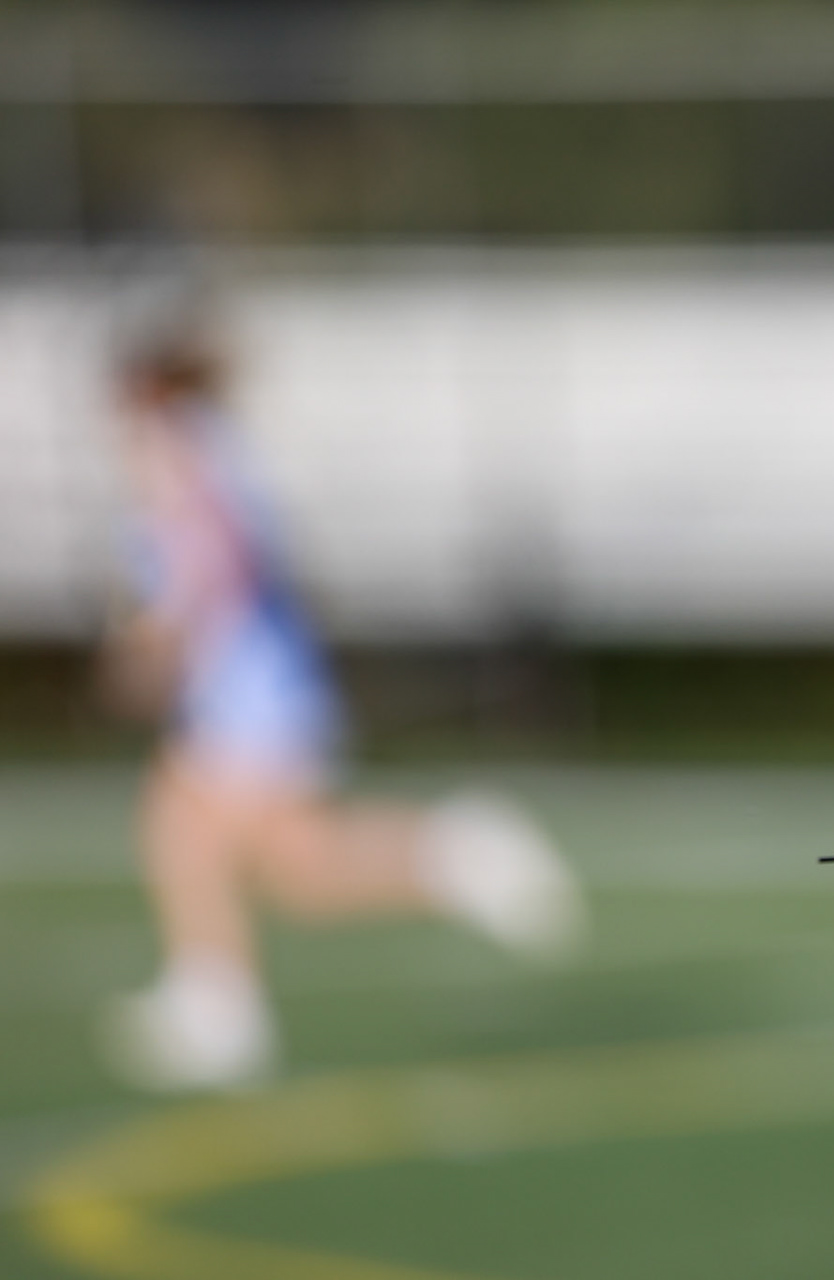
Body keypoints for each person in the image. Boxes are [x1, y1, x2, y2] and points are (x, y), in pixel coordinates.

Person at [99, 337, 585, 1092]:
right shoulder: (212, 444)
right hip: (263, 689)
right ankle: (453, 854)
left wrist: (166, 639)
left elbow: (211, 555)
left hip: (249, 694)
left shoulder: (178, 444)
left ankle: (218, 1009)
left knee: (178, 821)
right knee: (304, 872)